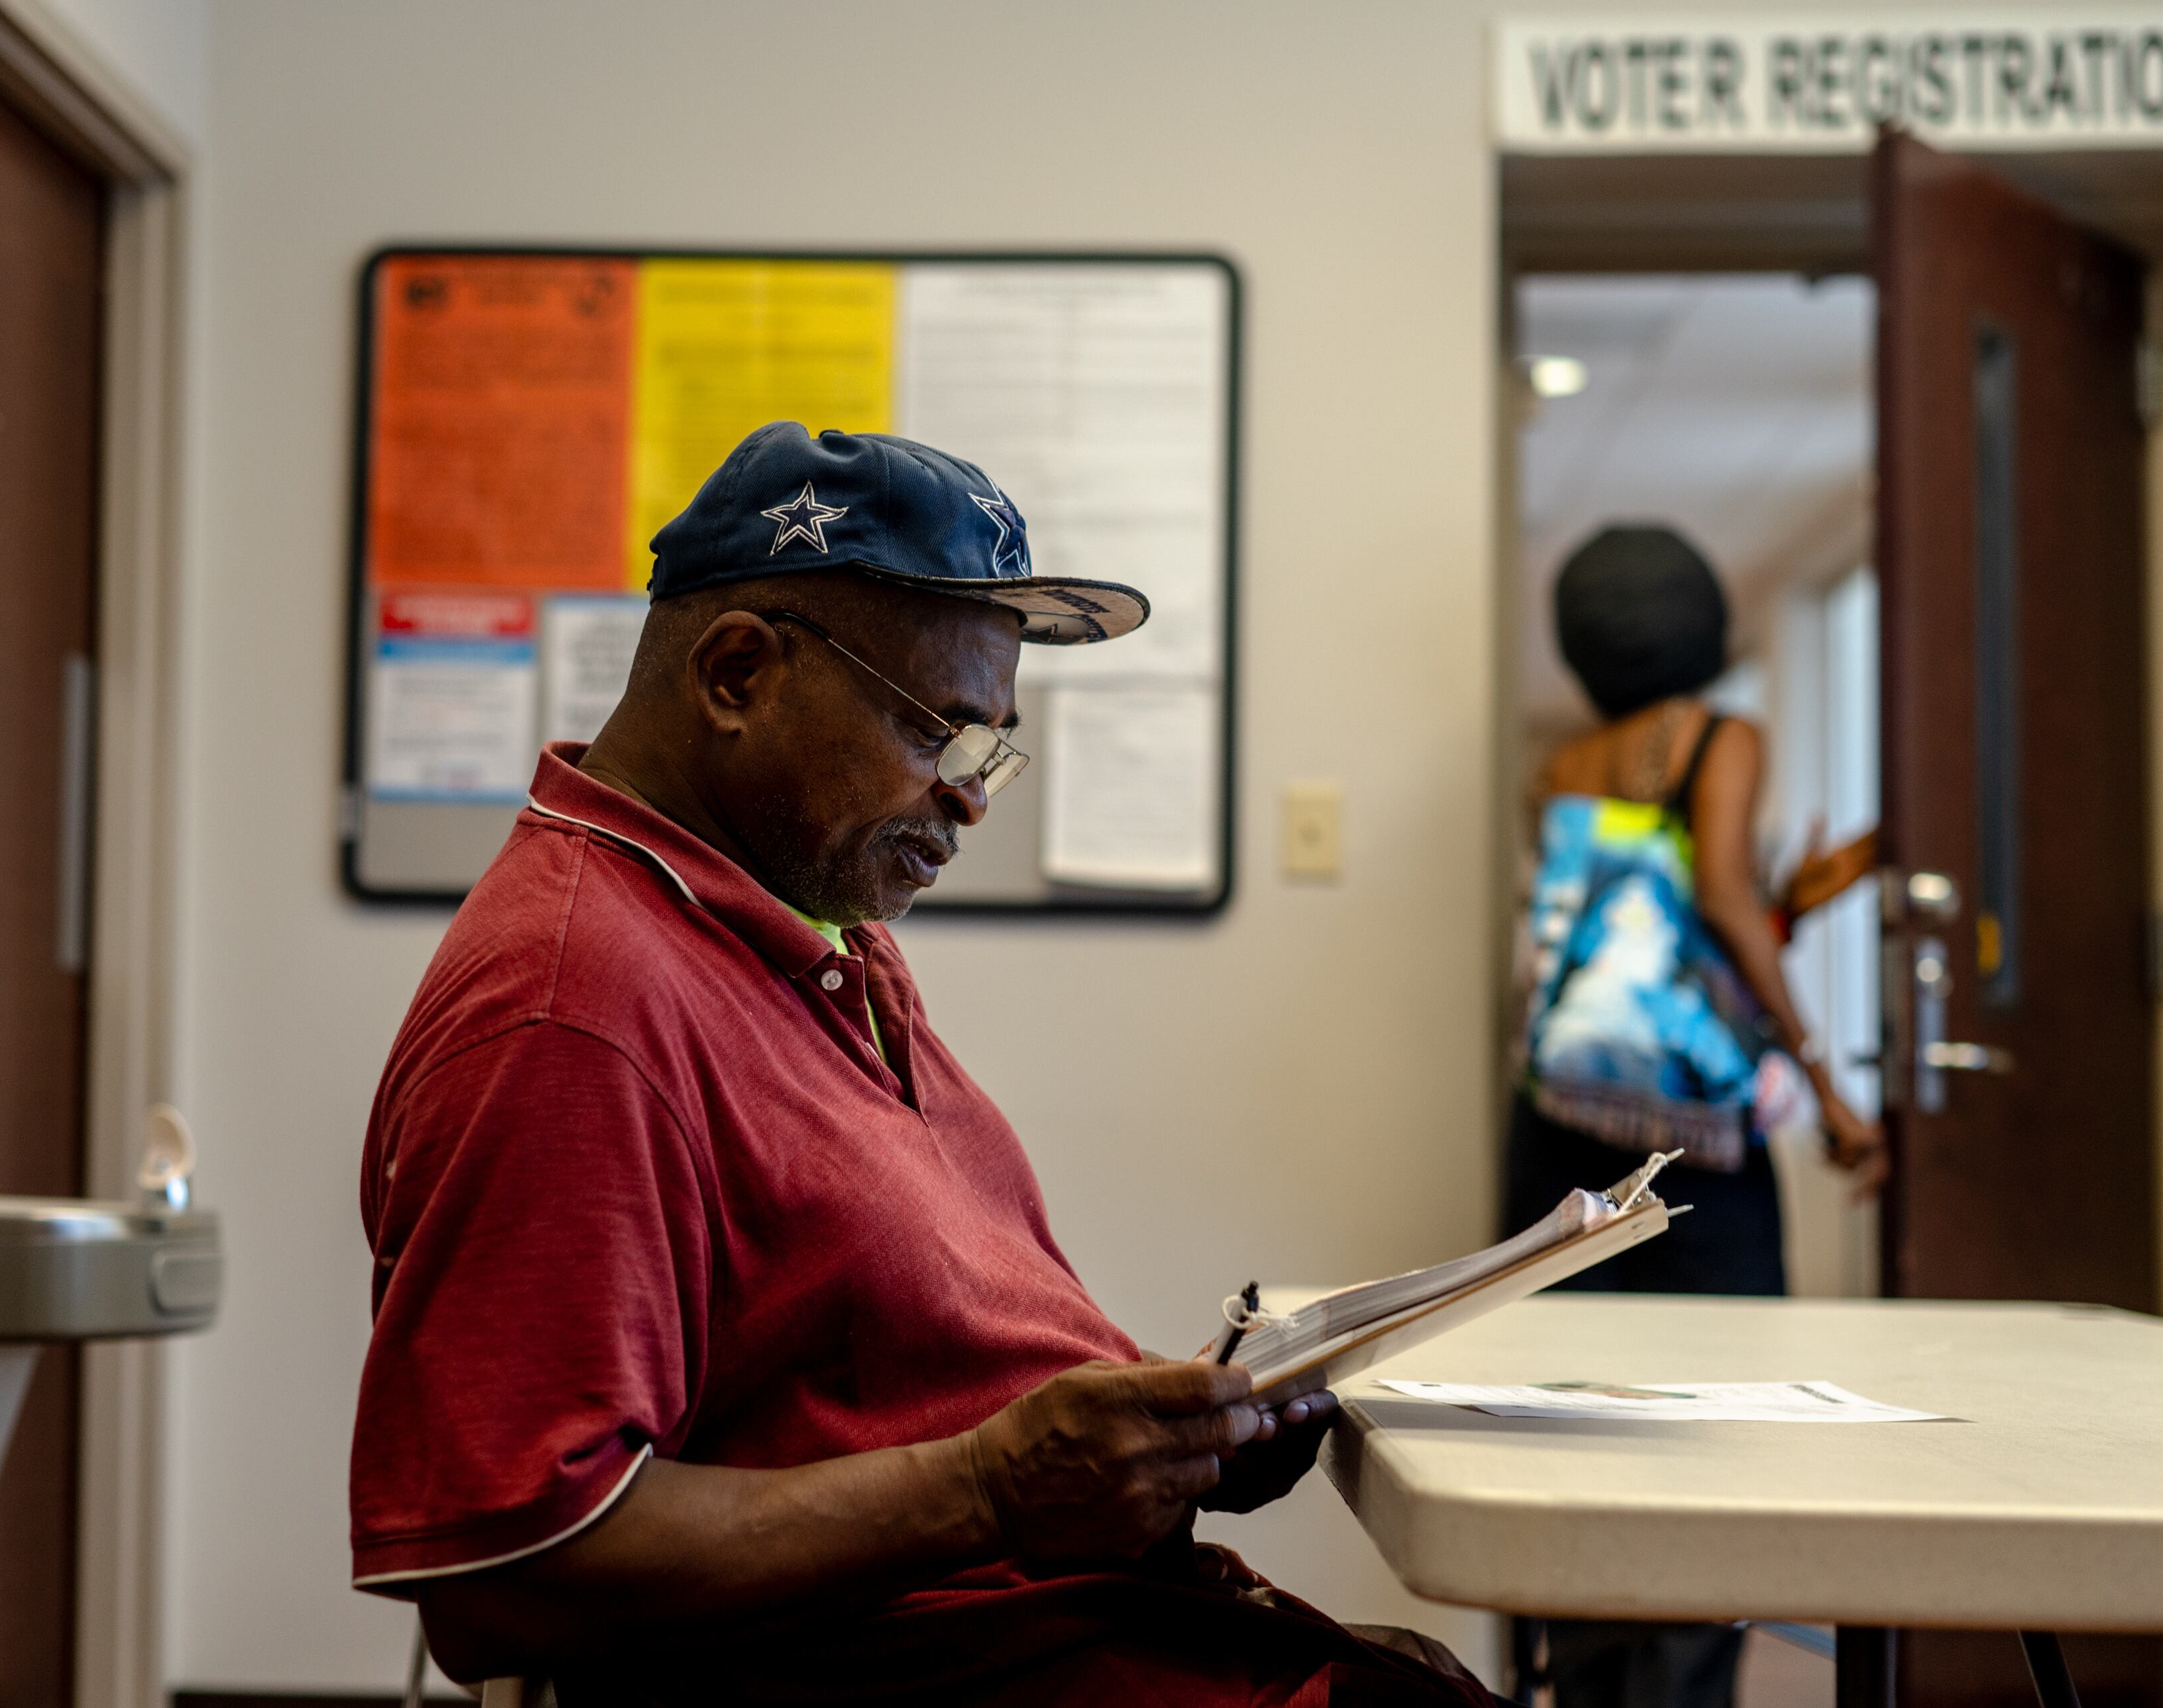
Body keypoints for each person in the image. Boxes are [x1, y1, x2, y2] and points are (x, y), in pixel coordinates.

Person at [350, 422, 1504, 1706]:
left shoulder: (806, 928)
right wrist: (990, 1489)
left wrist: (1162, 1442)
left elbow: (888, 1356)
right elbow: (505, 1576)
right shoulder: (570, 1012)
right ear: (737, 675)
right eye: (934, 732)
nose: (972, 797)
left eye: (989, 747)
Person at [1501, 524, 1884, 1708]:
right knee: (1712, 1426)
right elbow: (1712, 899)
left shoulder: (1556, 769)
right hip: (1694, 1153)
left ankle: (1584, 1681)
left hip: (1557, 1127)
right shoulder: (1727, 738)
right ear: (1702, 622)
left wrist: (1786, 912)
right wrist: (1825, 1083)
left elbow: (1631, 933)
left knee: (1575, 1428)